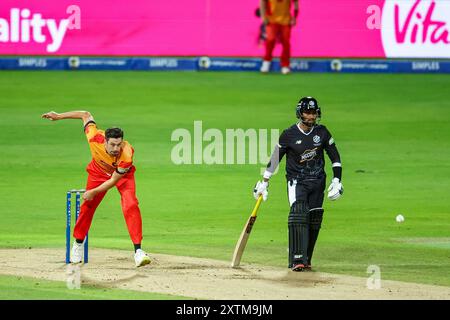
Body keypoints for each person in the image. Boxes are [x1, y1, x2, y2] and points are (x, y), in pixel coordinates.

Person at [42, 110, 151, 267]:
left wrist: (93, 191)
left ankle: (138, 252)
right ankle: (78, 243)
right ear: (105, 141)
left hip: (121, 177)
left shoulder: (127, 153)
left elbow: (114, 180)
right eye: (112, 144)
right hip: (98, 172)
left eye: (118, 144)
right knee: (87, 206)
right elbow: (85, 114)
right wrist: (59, 116)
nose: (115, 148)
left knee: (131, 204)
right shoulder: (94, 137)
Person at [253, 97, 344, 271]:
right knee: (298, 215)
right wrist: (264, 181)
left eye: (313, 113)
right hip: (297, 182)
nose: (311, 116)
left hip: (318, 182)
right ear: (300, 113)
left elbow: (335, 158)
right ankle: (297, 259)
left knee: (314, 218)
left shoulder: (322, 132)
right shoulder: (289, 135)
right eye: (307, 113)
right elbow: (275, 159)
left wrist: (337, 180)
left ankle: (307, 258)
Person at [259, 0, 299, 75]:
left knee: (286, 42)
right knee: (270, 40)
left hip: (286, 20)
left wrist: (295, 17)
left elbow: (296, 2)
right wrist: (263, 16)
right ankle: (266, 62)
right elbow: (262, 2)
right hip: (271, 20)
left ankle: (285, 65)